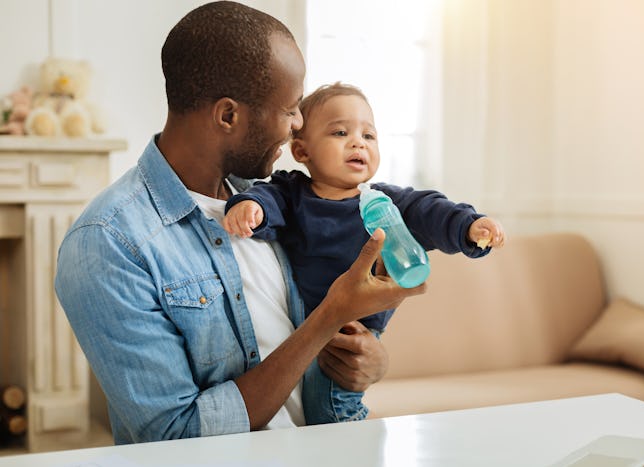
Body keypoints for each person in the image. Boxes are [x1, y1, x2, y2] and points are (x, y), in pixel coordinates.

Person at [54, 1, 425, 445]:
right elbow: (176, 435)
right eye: (290, 109)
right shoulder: (108, 243)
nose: (299, 126)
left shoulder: (278, 202)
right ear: (228, 115)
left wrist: (368, 360)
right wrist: (329, 317)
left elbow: (306, 343)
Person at [222, 82, 506, 424]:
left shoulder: (385, 202)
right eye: (340, 132)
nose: (358, 142)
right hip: (306, 329)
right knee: (306, 411)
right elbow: (268, 200)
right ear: (301, 151)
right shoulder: (291, 192)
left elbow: (431, 210)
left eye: (369, 136)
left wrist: (469, 227)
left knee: (332, 407)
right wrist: (250, 206)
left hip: (354, 336)